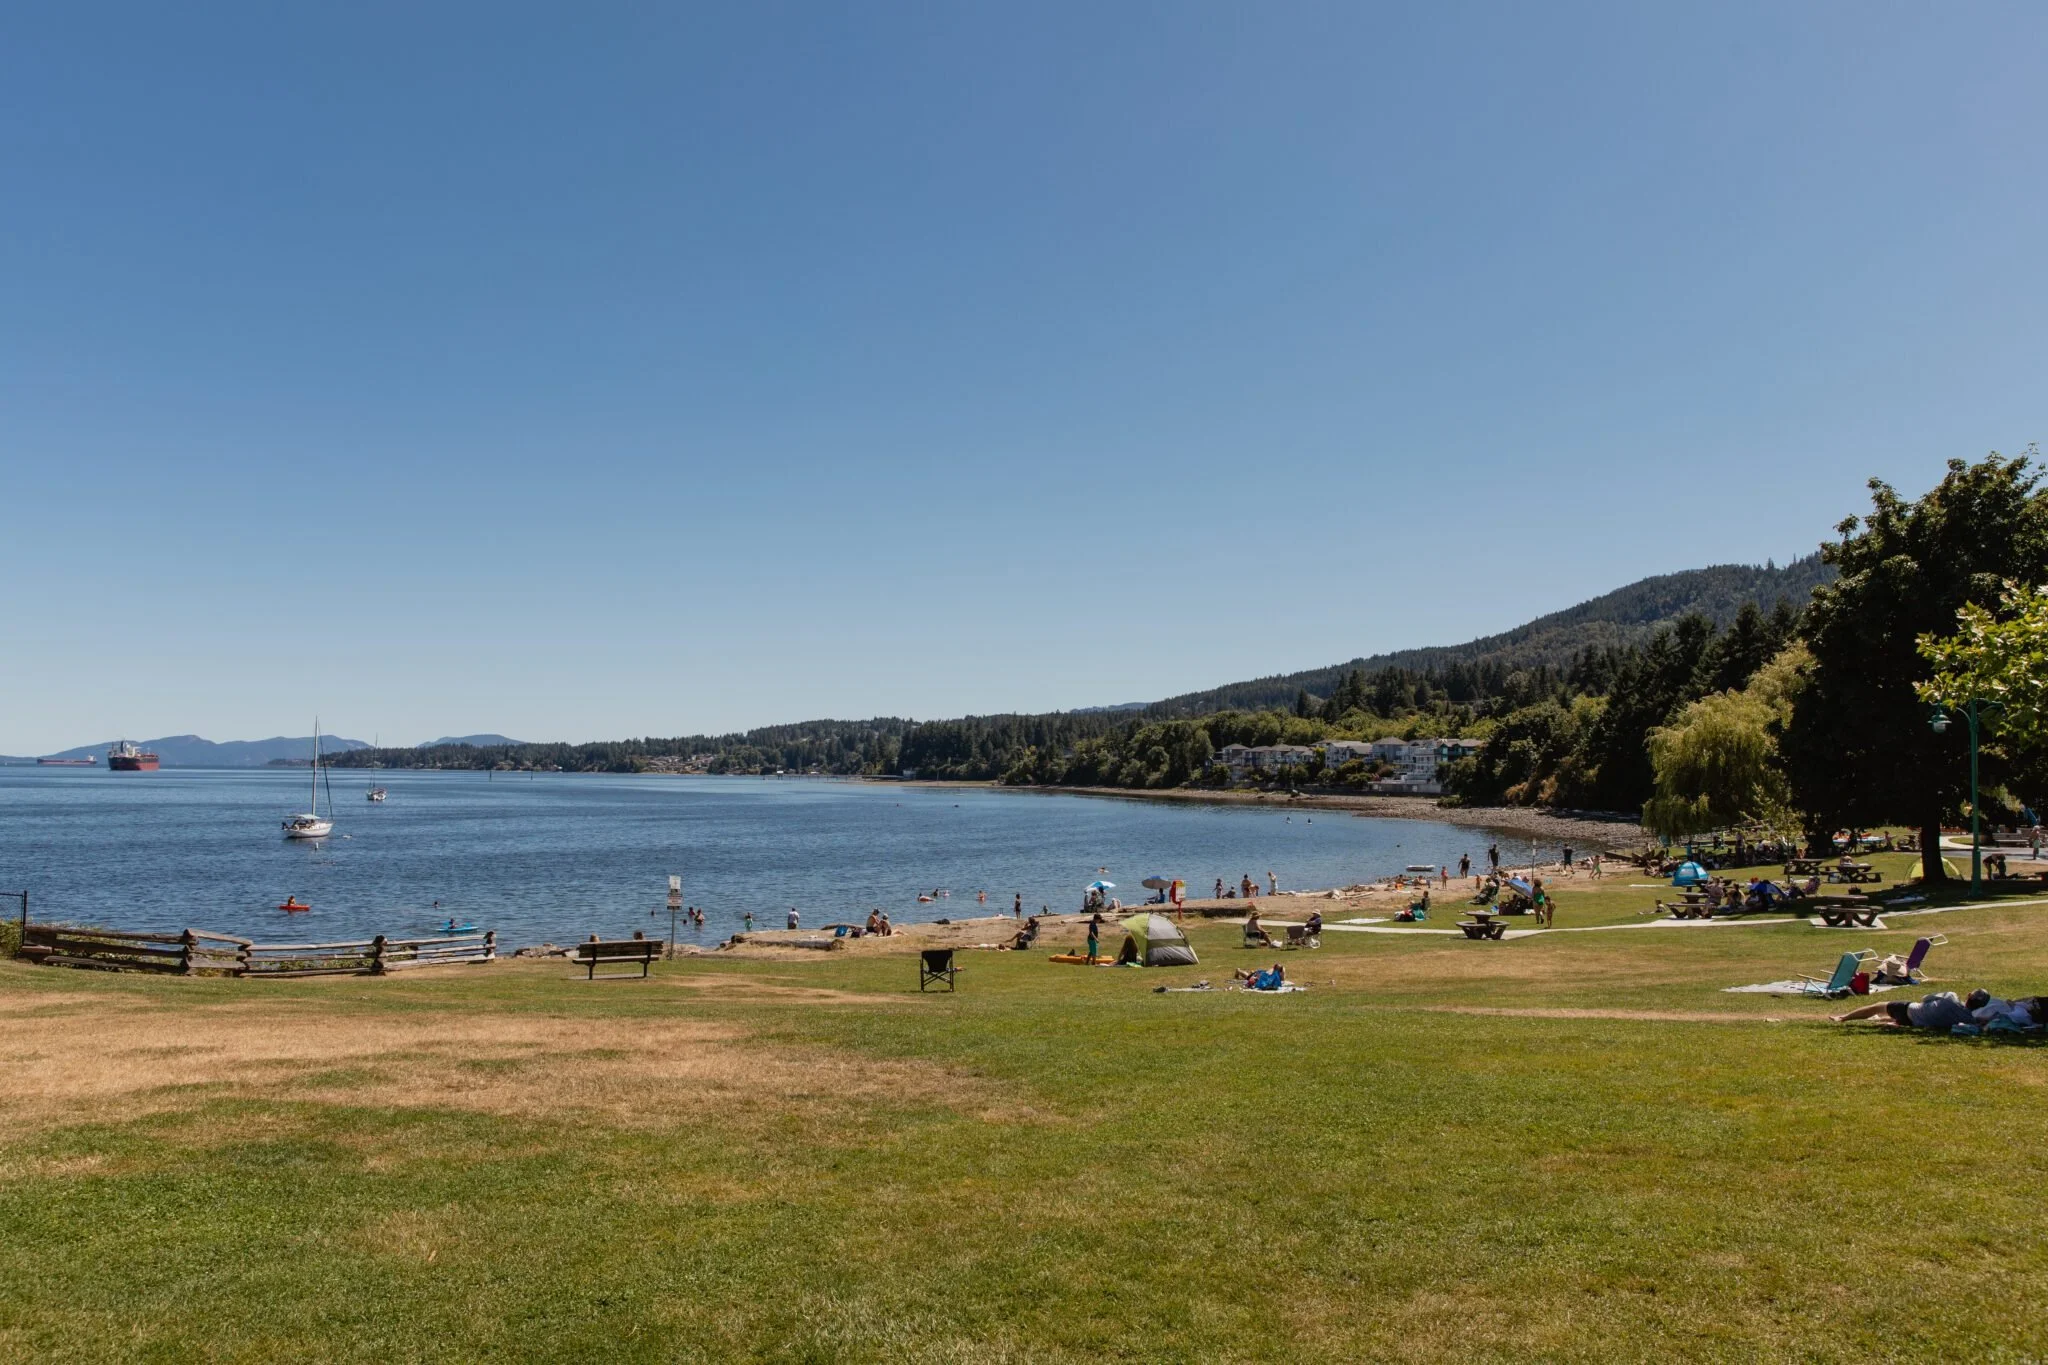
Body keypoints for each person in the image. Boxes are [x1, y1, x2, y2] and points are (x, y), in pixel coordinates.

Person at [1834, 989, 1993, 1029]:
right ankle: (1887, 1022)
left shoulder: (1950, 997)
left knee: (1878, 1006)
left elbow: (1925, 998)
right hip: (1912, 1023)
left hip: (1909, 1010)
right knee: (1888, 1017)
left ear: (1969, 995)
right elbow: (1971, 1020)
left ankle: (1844, 1018)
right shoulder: (1968, 1020)